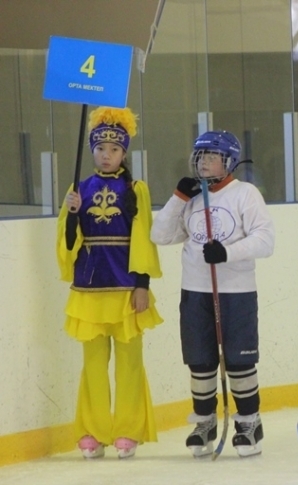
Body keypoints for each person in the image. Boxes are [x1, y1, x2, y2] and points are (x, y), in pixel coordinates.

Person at [151, 130, 275, 458]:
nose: (203, 162)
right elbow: (159, 235)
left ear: (229, 161)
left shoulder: (245, 193)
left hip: (236, 293)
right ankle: (204, 422)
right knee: (201, 361)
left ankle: (249, 423)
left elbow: (266, 240)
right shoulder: (191, 198)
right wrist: (178, 197)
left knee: (239, 361)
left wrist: (227, 253)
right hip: (195, 292)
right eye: (199, 156)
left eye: (211, 157)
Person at [56, 106, 163, 460]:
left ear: (124, 152)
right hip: (89, 289)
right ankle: (93, 430)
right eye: (100, 148)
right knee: (93, 365)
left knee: (129, 363)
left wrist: (142, 284)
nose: (106, 155)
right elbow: (68, 244)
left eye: (114, 149)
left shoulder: (135, 189)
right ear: (92, 150)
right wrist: (73, 215)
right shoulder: (78, 190)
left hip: (126, 288)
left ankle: (128, 430)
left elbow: (144, 239)